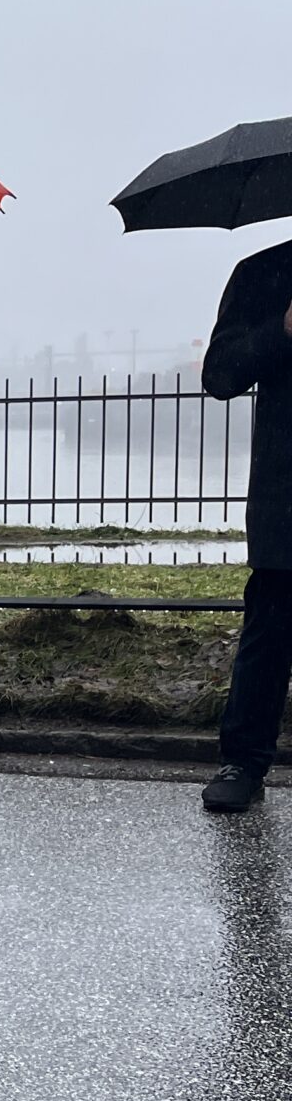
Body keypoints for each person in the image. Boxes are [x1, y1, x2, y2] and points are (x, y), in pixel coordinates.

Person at [197, 236, 292, 811]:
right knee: (270, 634)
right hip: (288, 497)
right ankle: (244, 762)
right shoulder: (264, 272)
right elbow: (220, 374)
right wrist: (280, 330)